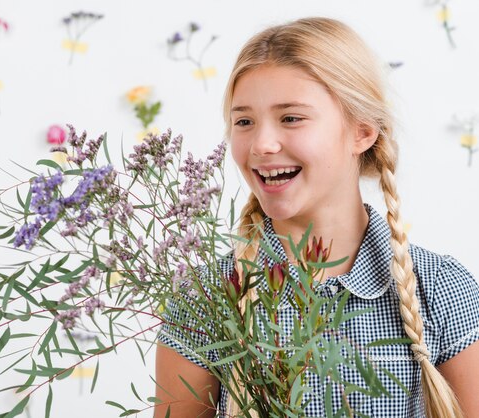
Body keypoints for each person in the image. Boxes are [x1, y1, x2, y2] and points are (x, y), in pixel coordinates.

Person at [154, 17, 479, 418]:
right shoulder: (206, 299)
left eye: (291, 117)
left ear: (362, 132)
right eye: (244, 121)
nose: (262, 144)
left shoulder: (442, 291)